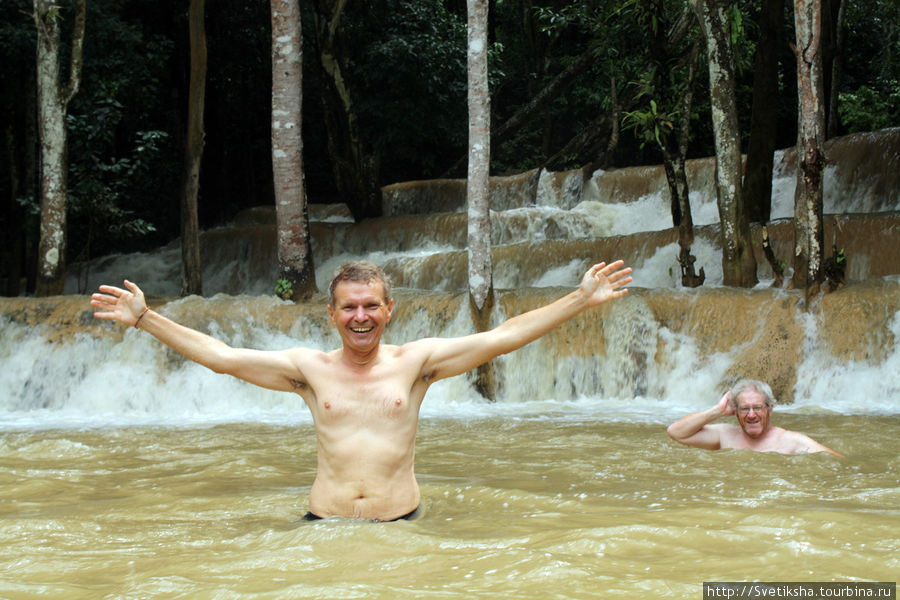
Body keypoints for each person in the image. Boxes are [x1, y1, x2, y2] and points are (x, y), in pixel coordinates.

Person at [91, 259, 633, 521]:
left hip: (403, 525)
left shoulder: (416, 364)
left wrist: (579, 300)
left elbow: (501, 338)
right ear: (331, 314)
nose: (360, 316)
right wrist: (145, 320)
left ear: (389, 309)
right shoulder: (308, 369)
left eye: (371, 304)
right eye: (349, 306)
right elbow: (225, 360)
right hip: (322, 526)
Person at [666, 379, 843, 457]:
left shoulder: (794, 441)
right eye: (744, 409)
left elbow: (836, 461)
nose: (751, 415)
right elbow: (676, 433)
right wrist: (717, 411)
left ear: (770, 410)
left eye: (757, 408)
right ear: (735, 412)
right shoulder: (725, 435)